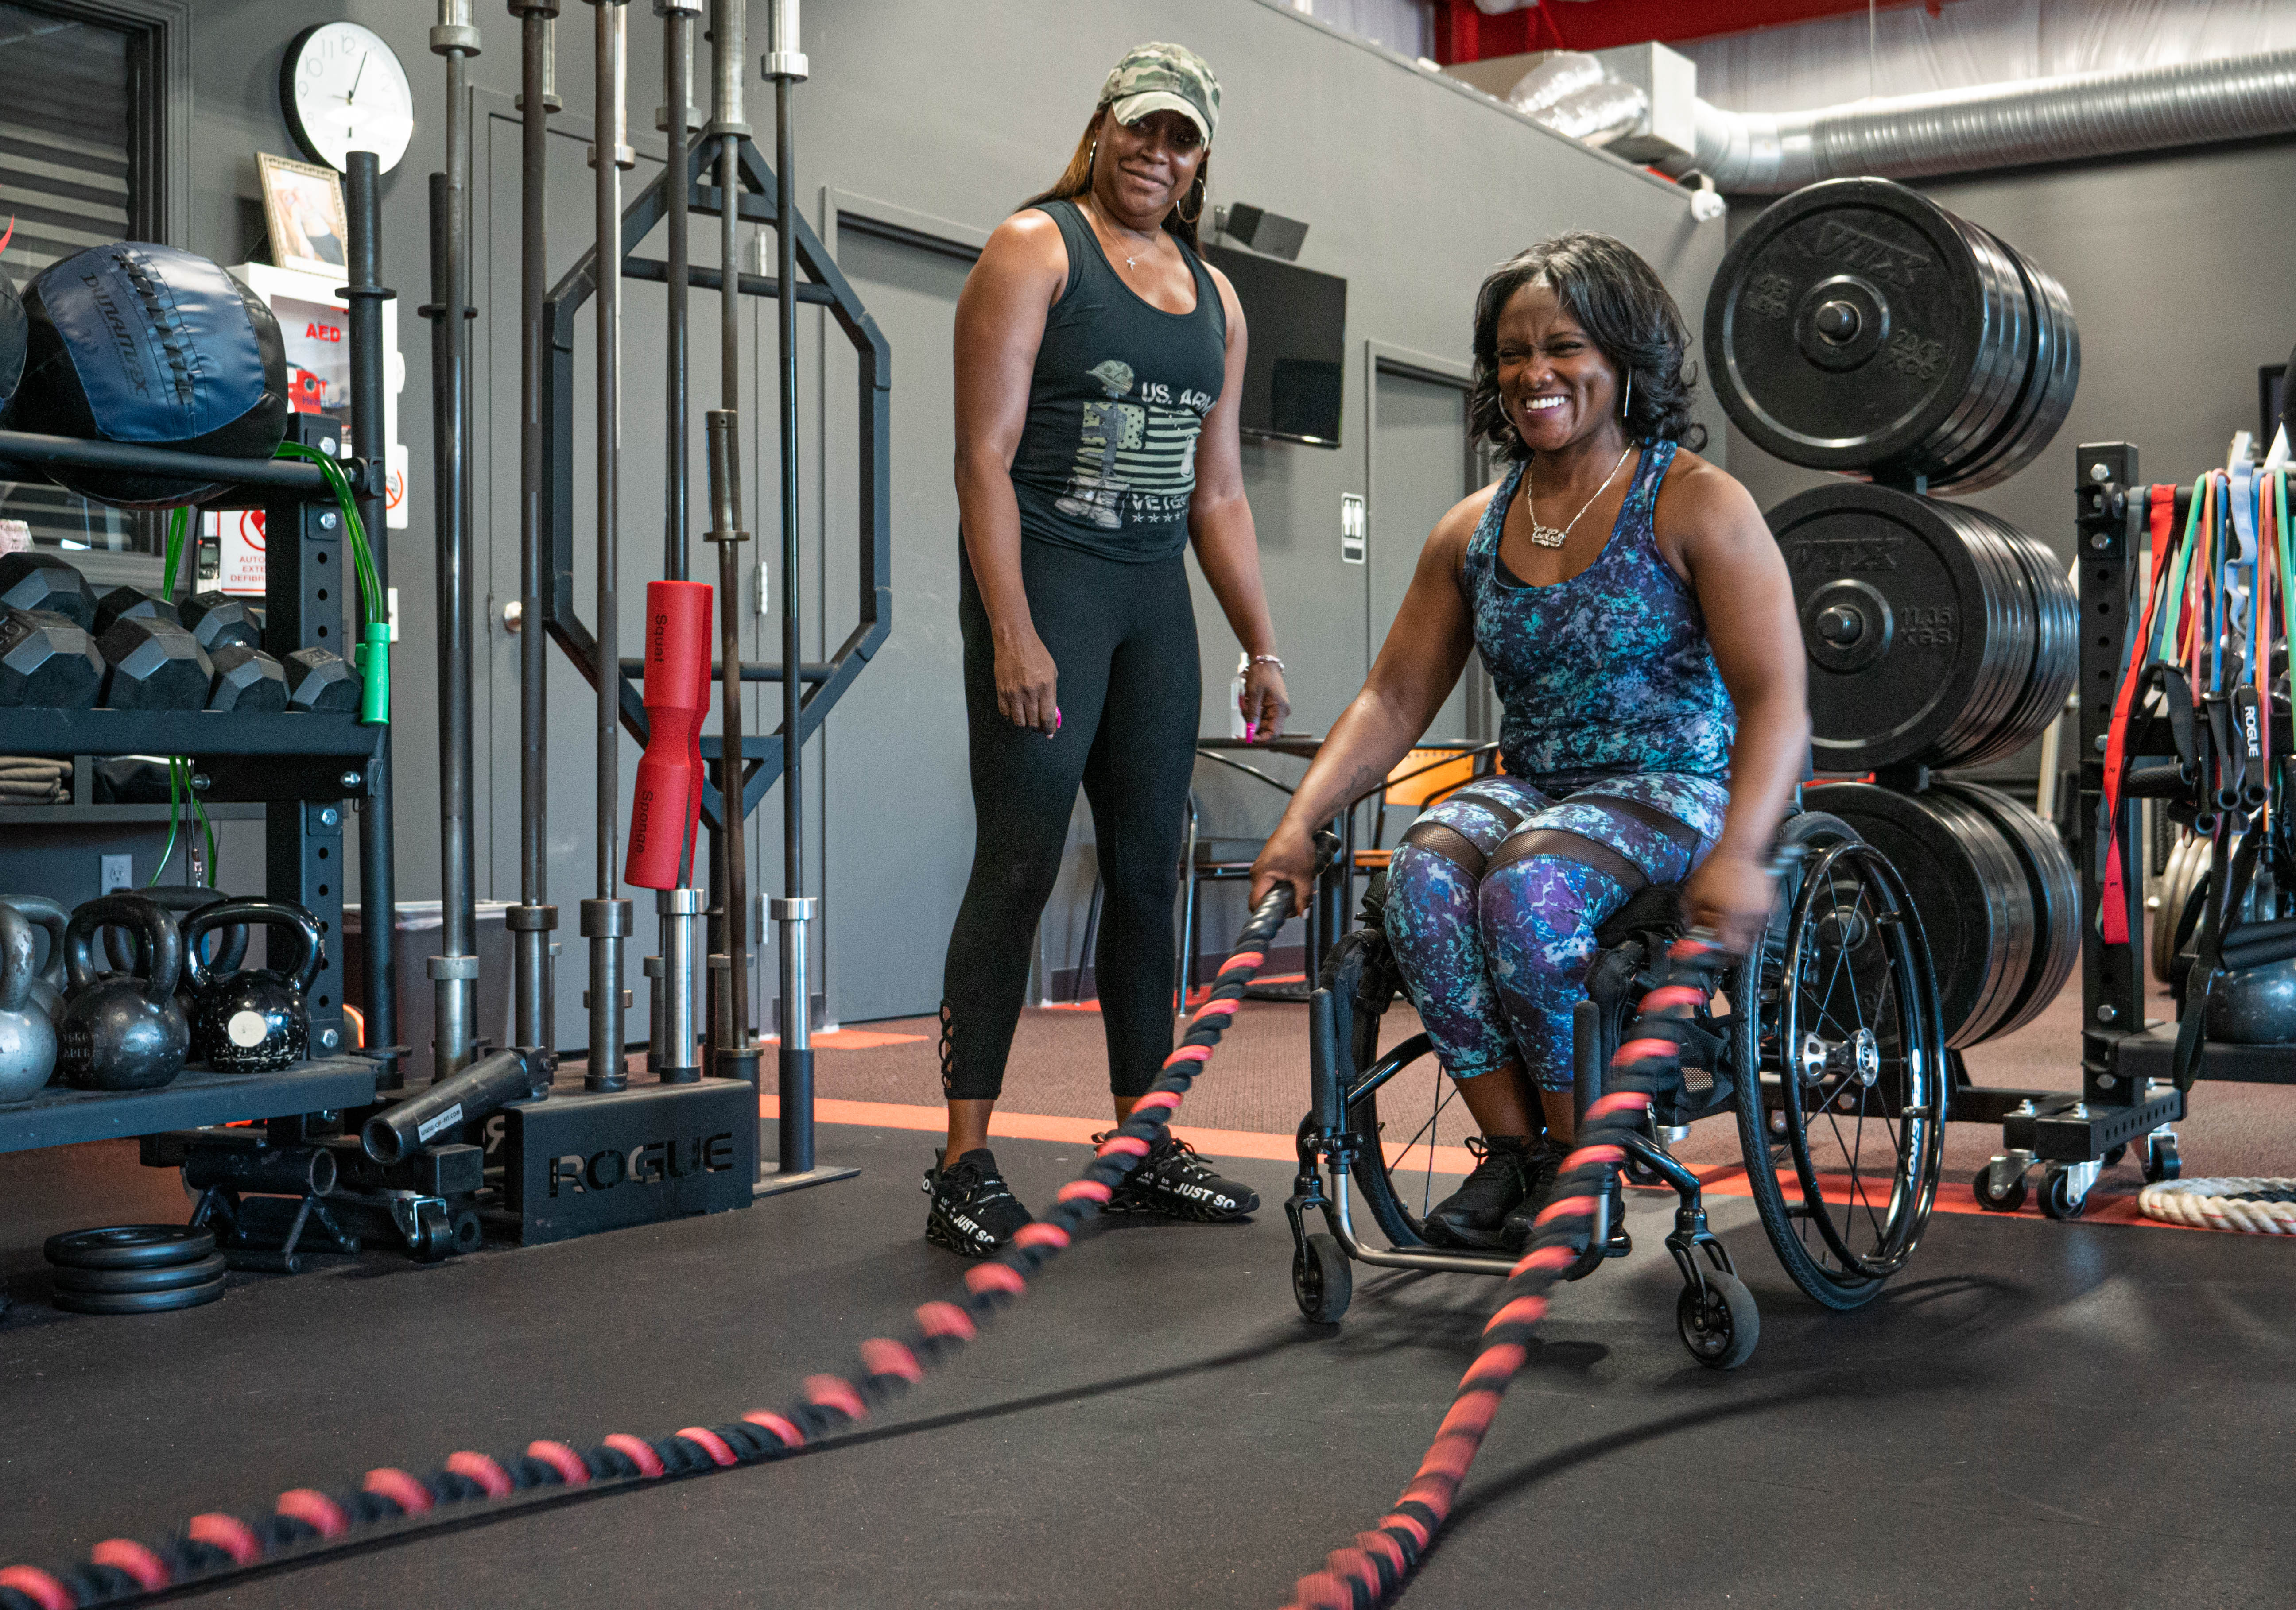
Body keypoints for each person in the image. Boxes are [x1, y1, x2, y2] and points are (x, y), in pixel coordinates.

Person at [1251, 233, 1809, 1251]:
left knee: (1526, 888)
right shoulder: (1472, 526)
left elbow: (1778, 699)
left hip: (1675, 783)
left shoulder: (1693, 502)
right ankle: (1521, 1155)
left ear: (1626, 359)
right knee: (1419, 877)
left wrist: (1740, 852)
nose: (1534, 374)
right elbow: (1389, 701)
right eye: (1512, 354)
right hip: (1544, 788)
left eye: (1564, 346)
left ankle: (1581, 1167)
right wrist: (1300, 825)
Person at [929, 43, 1290, 1257]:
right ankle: (962, 1164)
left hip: (1153, 607)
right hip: (1051, 587)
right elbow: (982, 454)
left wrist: (1259, 640)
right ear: (1103, 127)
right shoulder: (1035, 247)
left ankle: (1142, 1142)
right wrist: (1016, 629)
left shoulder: (1221, 296)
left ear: (1200, 161)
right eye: (1141, 128)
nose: (1158, 152)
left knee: (1149, 874)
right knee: (1021, 864)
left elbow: (1221, 491)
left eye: (1181, 138)